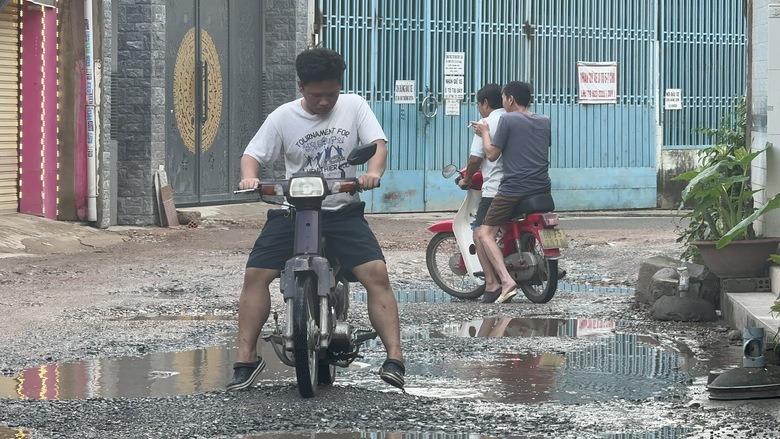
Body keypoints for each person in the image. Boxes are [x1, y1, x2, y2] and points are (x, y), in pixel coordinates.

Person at [227, 48, 405, 391]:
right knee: (254, 274)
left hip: (342, 210)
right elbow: (252, 154)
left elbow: (377, 144)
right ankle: (246, 359)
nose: (325, 102)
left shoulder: (354, 106)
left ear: (340, 87)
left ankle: (395, 357)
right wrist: (249, 178)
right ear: (300, 86)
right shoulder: (283, 117)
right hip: (294, 211)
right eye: (316, 95)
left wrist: (372, 172)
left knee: (377, 274)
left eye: (331, 94)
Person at [472, 81, 552, 303]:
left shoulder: (507, 119)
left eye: (505, 98)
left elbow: (491, 155)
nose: (503, 102)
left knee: (484, 234)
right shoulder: (544, 120)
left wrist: (485, 132)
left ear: (511, 100)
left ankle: (506, 281)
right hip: (543, 188)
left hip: (514, 188)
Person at [457, 83, 506, 303]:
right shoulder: (514, 118)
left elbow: (477, 159)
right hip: (526, 184)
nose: (478, 109)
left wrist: (467, 179)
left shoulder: (484, 124)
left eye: (478, 104)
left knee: (480, 233)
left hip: (496, 187)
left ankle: (494, 282)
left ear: (485, 103)